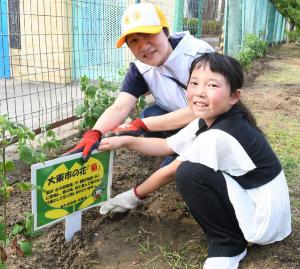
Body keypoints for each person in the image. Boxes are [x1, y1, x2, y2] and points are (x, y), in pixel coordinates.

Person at [97, 53, 291, 269]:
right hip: (258, 198)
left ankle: (229, 245)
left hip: (263, 217)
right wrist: (124, 141)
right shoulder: (209, 120)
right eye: (194, 83)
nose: (199, 92)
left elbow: (170, 171)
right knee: (191, 170)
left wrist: (133, 196)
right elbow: (166, 146)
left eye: (212, 85)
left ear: (234, 96)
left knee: (189, 173)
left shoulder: (220, 135)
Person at [67, 2, 214, 161]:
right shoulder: (141, 69)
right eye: (134, 41)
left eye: (149, 34)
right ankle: (174, 150)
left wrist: (142, 125)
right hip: (179, 121)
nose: (143, 47)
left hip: (212, 121)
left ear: (165, 32)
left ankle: (184, 154)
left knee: (184, 173)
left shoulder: (198, 54)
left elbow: (207, 108)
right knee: (150, 114)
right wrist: (94, 133)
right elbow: (119, 107)